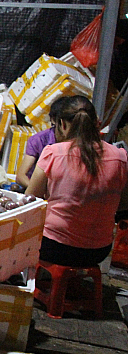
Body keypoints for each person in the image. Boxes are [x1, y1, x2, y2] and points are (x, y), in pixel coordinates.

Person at [26, 95, 128, 267]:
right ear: (97, 123)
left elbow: (29, 201)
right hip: (99, 250)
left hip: (54, 248)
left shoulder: (53, 153)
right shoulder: (120, 157)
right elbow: (123, 204)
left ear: (63, 125)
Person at [16, 95, 70, 188]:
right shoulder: (38, 140)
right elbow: (21, 176)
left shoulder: (78, 143)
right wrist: (37, 191)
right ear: (54, 120)